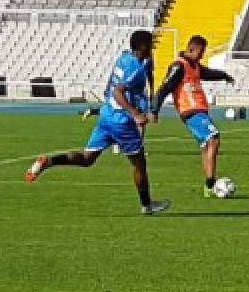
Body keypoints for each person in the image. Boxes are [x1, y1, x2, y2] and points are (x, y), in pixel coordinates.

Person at [25, 30, 171, 216]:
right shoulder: (136, 68)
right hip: (121, 121)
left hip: (106, 115)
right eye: (151, 44)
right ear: (144, 47)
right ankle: (147, 205)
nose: (153, 48)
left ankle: (49, 161)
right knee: (139, 164)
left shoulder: (124, 58)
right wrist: (135, 113)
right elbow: (118, 92)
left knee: (87, 159)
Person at [153, 35, 235, 198]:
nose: (202, 55)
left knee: (207, 145)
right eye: (200, 51)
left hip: (199, 110)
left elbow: (208, 73)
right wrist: (154, 110)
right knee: (214, 138)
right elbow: (164, 88)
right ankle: (211, 183)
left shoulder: (194, 66)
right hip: (190, 110)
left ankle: (208, 187)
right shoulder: (179, 66)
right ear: (191, 48)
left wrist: (224, 76)